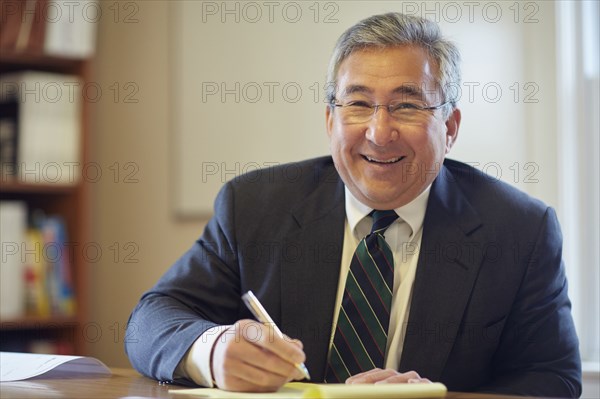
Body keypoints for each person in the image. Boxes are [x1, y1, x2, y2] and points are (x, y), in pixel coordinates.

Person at [125, 12, 582, 397]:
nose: (379, 133)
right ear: (330, 120)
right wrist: (212, 349)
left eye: (406, 106)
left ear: (451, 127)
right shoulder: (254, 206)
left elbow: (554, 380)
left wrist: (431, 397)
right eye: (359, 104)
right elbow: (151, 320)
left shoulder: (520, 229)